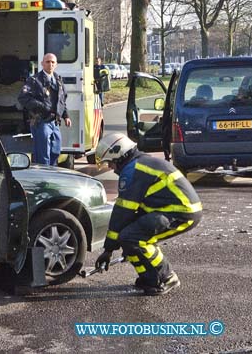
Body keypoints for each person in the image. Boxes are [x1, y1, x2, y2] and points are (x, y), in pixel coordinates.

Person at [94, 133, 202, 296]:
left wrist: (108, 249)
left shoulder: (133, 170)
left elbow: (123, 212)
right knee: (129, 237)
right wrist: (118, 244)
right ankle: (150, 279)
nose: (110, 168)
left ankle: (166, 277)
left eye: (109, 162)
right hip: (174, 209)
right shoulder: (139, 164)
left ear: (118, 154)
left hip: (181, 212)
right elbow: (129, 213)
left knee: (133, 237)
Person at [18, 53, 71, 166]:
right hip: (41, 121)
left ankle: (52, 175)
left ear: (56, 65)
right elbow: (23, 98)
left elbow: (62, 101)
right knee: (43, 154)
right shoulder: (34, 80)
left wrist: (66, 116)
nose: (50, 64)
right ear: (42, 64)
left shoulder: (58, 80)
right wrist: (41, 106)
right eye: (47, 62)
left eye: (53, 62)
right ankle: (43, 179)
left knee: (55, 151)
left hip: (55, 122)